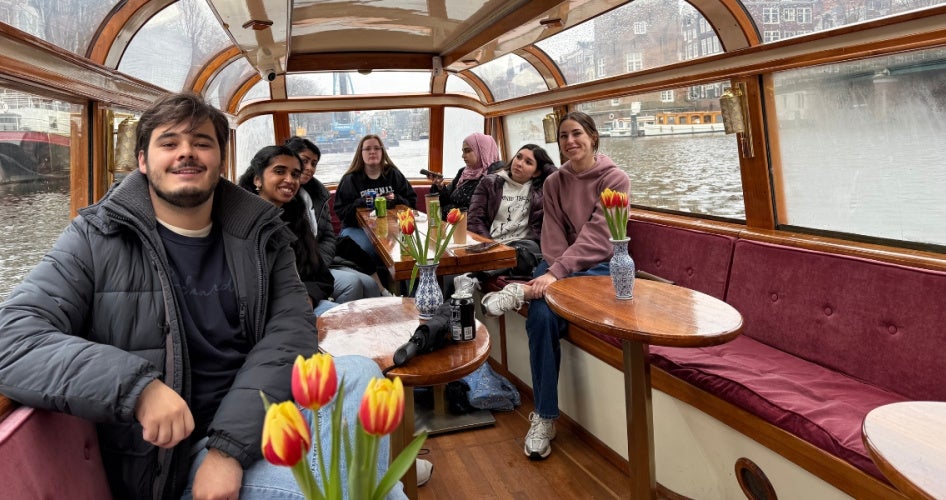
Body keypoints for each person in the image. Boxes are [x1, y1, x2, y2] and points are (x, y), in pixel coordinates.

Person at [0, 93, 405, 499]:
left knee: (363, 374)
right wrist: (139, 389)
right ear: (143, 160)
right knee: (356, 490)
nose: (186, 153)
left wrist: (228, 449)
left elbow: (291, 332)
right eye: (169, 142)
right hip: (169, 459)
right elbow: (11, 338)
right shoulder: (96, 237)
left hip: (249, 423)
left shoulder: (261, 233)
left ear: (221, 160)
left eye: (202, 142)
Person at [480, 112, 630, 460]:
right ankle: (545, 418)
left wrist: (552, 275)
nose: (570, 141)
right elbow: (552, 235)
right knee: (542, 318)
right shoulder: (554, 183)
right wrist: (554, 271)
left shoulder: (615, 179)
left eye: (577, 133)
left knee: (541, 300)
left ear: (593, 137)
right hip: (559, 270)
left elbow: (600, 238)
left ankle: (522, 290)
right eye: (563, 136)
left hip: (603, 269)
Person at [237, 145, 338, 316]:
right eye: (279, 171)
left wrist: (309, 296)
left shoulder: (296, 219)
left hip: (302, 302)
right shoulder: (242, 224)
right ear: (257, 179)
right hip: (265, 315)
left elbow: (322, 277)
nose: (290, 180)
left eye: (295, 175)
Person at [284, 136, 386, 300]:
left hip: (321, 259)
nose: (309, 168)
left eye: (314, 164)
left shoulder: (316, 194)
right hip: (306, 267)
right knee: (355, 280)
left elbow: (329, 235)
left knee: (370, 284)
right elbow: (343, 213)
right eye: (305, 161)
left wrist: (320, 262)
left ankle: (380, 314)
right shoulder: (350, 179)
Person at [467, 144, 557, 281]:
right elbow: (475, 220)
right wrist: (490, 247)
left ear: (537, 172)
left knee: (530, 249)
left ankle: (482, 275)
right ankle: (487, 271)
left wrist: (545, 166)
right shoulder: (490, 183)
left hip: (522, 246)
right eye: (518, 157)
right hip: (492, 244)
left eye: (528, 162)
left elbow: (559, 177)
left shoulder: (542, 189)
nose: (519, 163)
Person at [333, 135, 416, 269]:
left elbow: (411, 202)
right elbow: (341, 213)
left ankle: (404, 284)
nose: (372, 152)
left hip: (393, 227)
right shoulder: (350, 179)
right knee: (370, 249)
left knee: (408, 249)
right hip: (356, 228)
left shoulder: (393, 174)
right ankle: (380, 286)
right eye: (368, 149)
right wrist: (362, 201)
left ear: (382, 152)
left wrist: (394, 200)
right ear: (361, 153)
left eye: (377, 148)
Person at [428, 132, 503, 219]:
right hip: (450, 223)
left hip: (470, 229)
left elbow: (475, 213)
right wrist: (440, 186)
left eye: (467, 151)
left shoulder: (493, 177)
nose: (463, 156)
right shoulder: (463, 172)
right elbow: (446, 200)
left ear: (482, 151)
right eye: (463, 151)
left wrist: (445, 210)